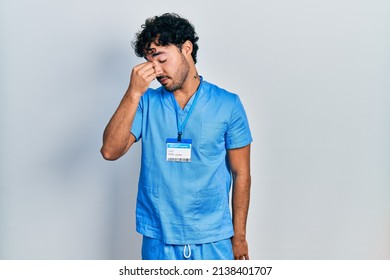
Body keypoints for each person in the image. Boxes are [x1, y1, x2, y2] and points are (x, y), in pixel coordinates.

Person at [101, 13, 252, 260]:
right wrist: (133, 92)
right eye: (150, 63)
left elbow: (241, 173)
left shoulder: (228, 104)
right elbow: (110, 151)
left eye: (161, 58)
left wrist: (240, 237)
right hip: (159, 238)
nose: (157, 71)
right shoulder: (145, 102)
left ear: (186, 49)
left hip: (213, 239)